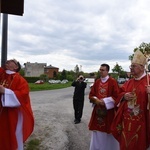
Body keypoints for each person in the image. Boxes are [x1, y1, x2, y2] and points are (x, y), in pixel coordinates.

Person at [111, 50, 150, 150]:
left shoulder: (148, 82)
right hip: (126, 122)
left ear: (142, 67)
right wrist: (124, 96)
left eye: (133, 66)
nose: (131, 68)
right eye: (130, 66)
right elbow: (118, 94)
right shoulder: (129, 83)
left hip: (142, 123)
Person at [0, 59, 34, 150]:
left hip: (11, 113)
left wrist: (5, 91)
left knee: (10, 134)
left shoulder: (20, 80)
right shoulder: (1, 74)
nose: (8, 61)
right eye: (7, 60)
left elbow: (23, 95)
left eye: (12, 61)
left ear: (16, 67)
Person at [88, 63, 120, 150]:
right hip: (98, 112)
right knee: (98, 132)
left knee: (108, 133)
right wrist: (96, 100)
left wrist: (105, 101)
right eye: (100, 70)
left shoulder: (113, 82)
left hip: (109, 113)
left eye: (102, 70)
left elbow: (117, 96)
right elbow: (91, 95)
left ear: (107, 71)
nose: (100, 71)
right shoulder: (97, 81)